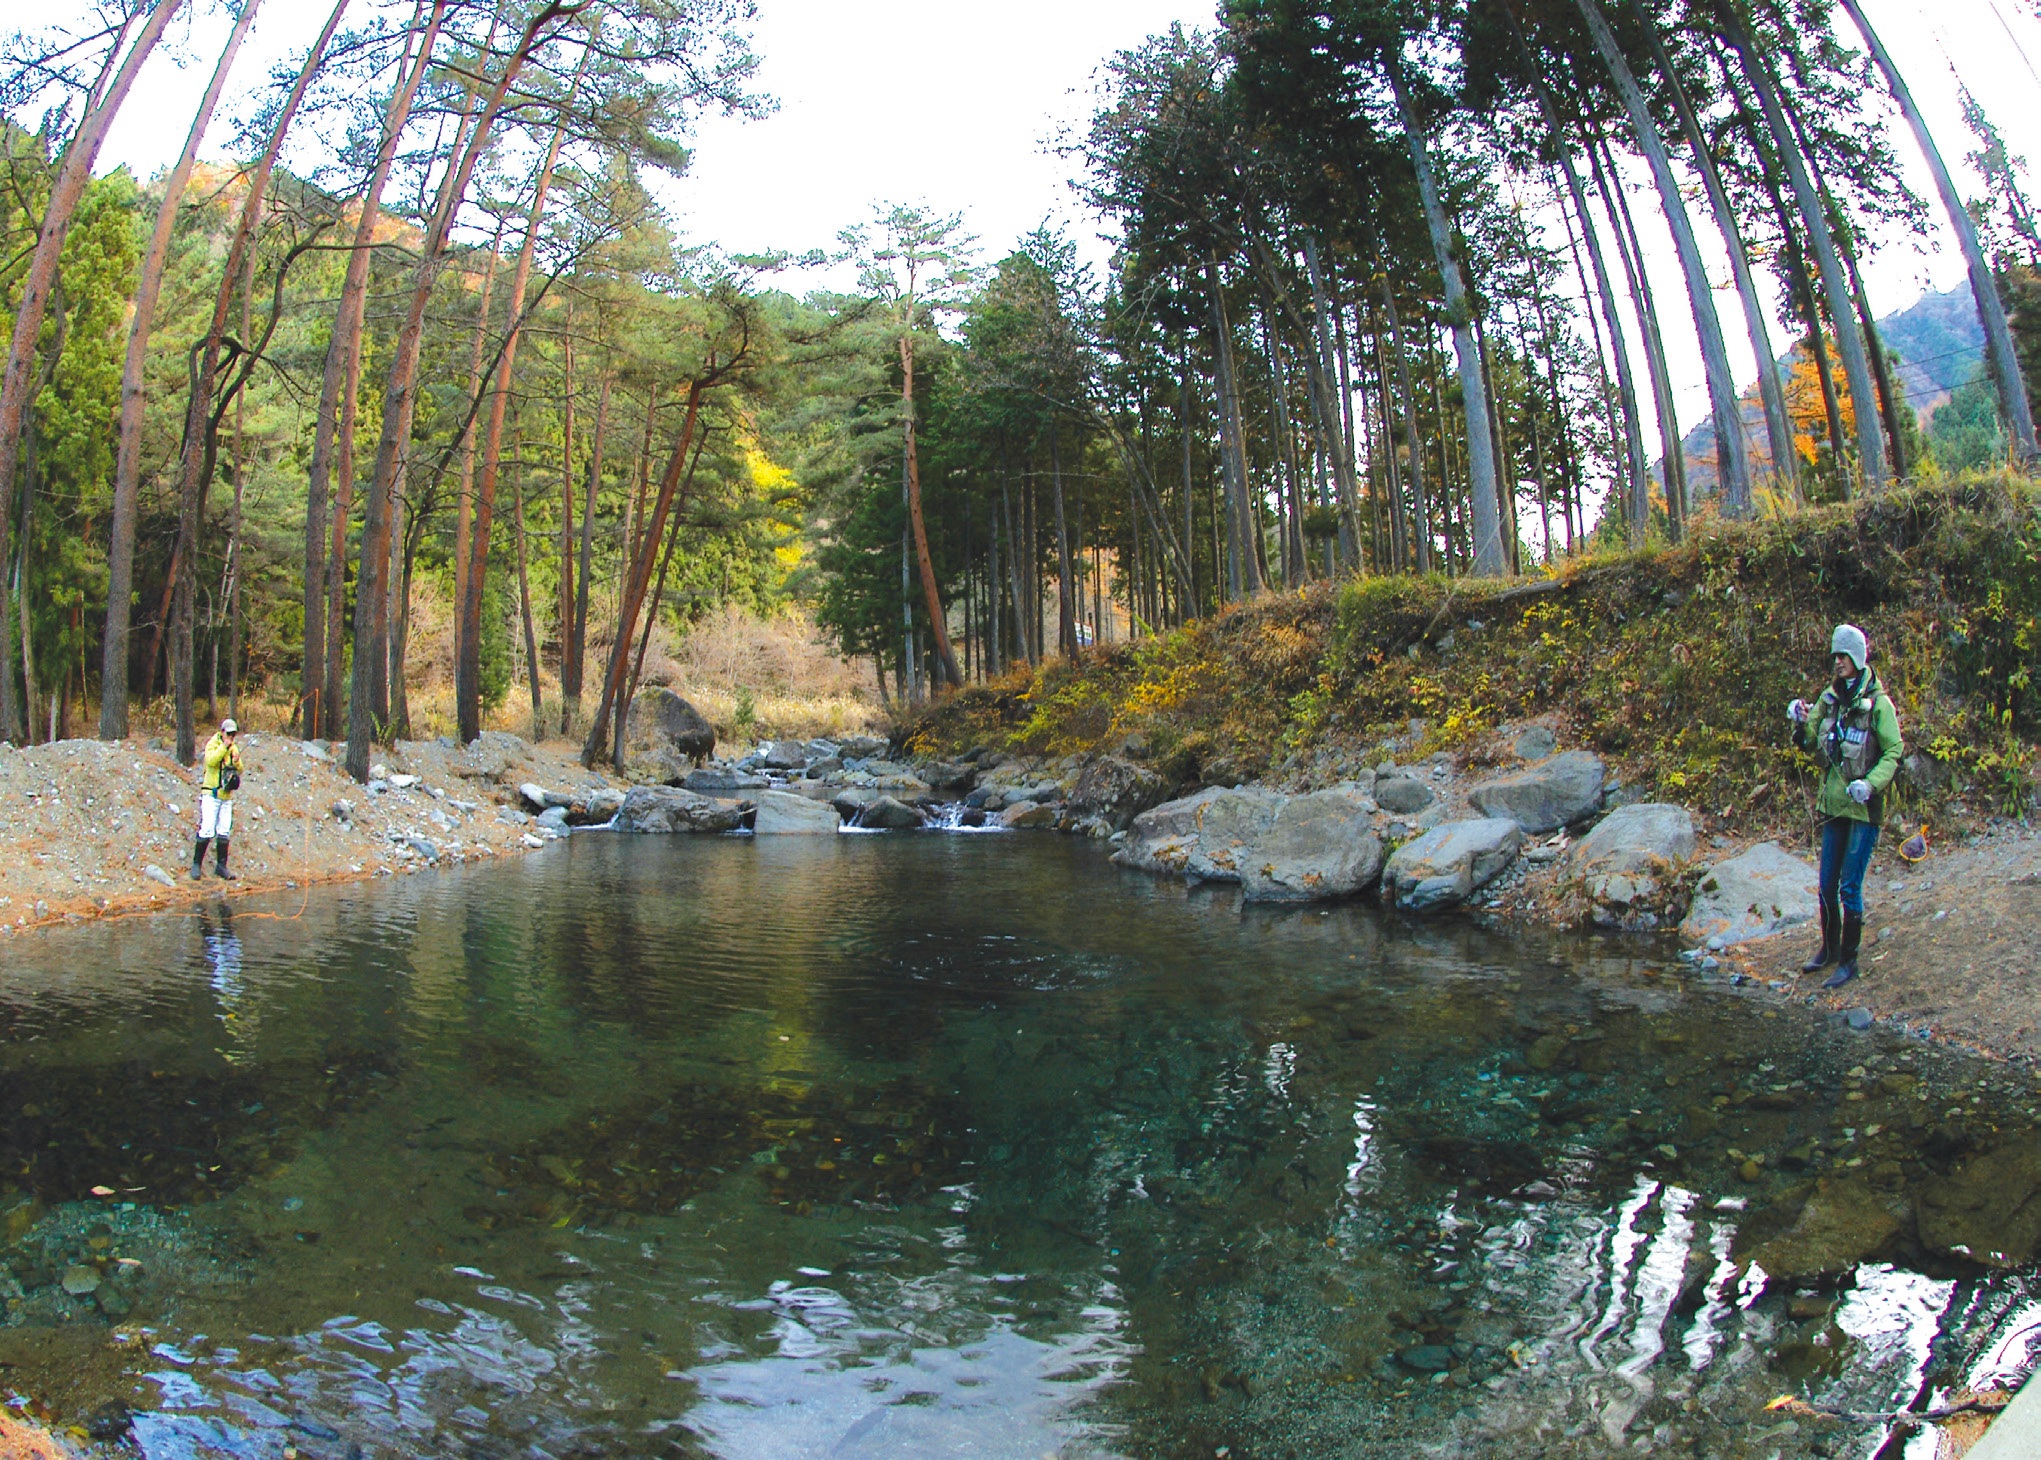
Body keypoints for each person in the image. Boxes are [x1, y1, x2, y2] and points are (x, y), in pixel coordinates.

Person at [1787, 625, 1902, 989]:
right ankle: (1829, 950)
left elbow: (1894, 752)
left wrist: (1869, 784)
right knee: (1825, 886)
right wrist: (1799, 720)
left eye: (1843, 656)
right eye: (1835, 656)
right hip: (1833, 807)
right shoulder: (1828, 698)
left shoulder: (1880, 705)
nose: (1837, 662)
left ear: (1857, 659)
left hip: (1863, 812)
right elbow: (1808, 742)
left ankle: (1849, 962)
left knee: (1849, 887)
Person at [192, 718, 244, 880]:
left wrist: (236, 761)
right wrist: (224, 747)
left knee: (224, 830)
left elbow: (240, 769)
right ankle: (196, 865)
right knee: (207, 828)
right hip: (211, 794)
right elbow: (211, 761)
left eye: (233, 734)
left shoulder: (234, 747)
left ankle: (221, 867)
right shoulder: (213, 744)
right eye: (229, 734)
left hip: (226, 796)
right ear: (222, 732)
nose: (231, 737)